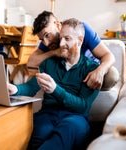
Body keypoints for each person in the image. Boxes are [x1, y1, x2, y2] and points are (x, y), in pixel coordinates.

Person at [7, 18, 100, 150]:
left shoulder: (91, 69)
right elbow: (31, 87)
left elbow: (83, 106)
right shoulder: (49, 63)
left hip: (76, 117)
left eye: (67, 39)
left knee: (64, 133)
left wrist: (55, 90)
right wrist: (14, 88)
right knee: (38, 133)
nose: (61, 43)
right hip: (47, 114)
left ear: (80, 40)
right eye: (61, 38)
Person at [27, 11, 117, 90]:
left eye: (47, 35)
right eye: (41, 39)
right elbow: (31, 62)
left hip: (89, 71)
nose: (46, 43)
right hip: (67, 75)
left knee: (112, 75)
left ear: (58, 25)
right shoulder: (49, 43)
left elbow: (108, 55)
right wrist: (54, 52)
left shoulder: (81, 29)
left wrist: (100, 71)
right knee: (35, 78)